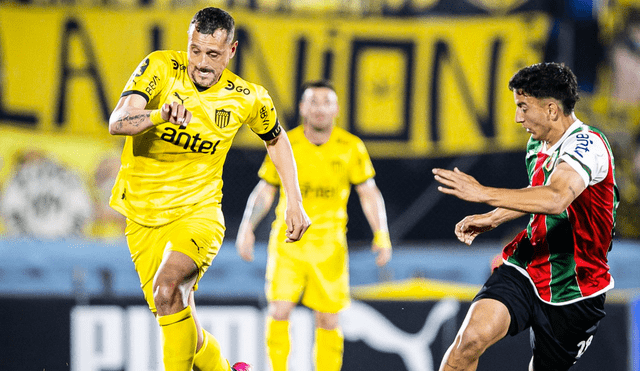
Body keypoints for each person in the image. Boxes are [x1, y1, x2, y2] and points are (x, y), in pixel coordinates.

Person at [107, 7, 310, 371]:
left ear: (231, 51)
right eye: (195, 50)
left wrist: (294, 201)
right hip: (142, 217)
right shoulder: (160, 68)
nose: (200, 62)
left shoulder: (247, 97)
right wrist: (158, 115)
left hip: (199, 214)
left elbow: (277, 140)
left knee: (167, 287)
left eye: (212, 54)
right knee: (177, 313)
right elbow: (118, 121)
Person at [433, 62, 618, 371]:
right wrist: (493, 217)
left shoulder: (588, 146)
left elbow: (557, 198)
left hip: (576, 287)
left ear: (551, 110)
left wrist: (484, 193)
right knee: (469, 341)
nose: (518, 118)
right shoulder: (538, 142)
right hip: (526, 264)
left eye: (523, 107)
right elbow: (537, 194)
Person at [235, 80, 392, 371]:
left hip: (330, 245)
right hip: (288, 242)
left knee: (328, 319)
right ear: (303, 108)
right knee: (279, 310)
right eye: (313, 102)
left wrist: (381, 233)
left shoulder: (351, 147)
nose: (320, 108)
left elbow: (369, 192)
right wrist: (247, 226)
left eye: (326, 102)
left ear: (337, 109)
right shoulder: (284, 143)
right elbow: (266, 188)